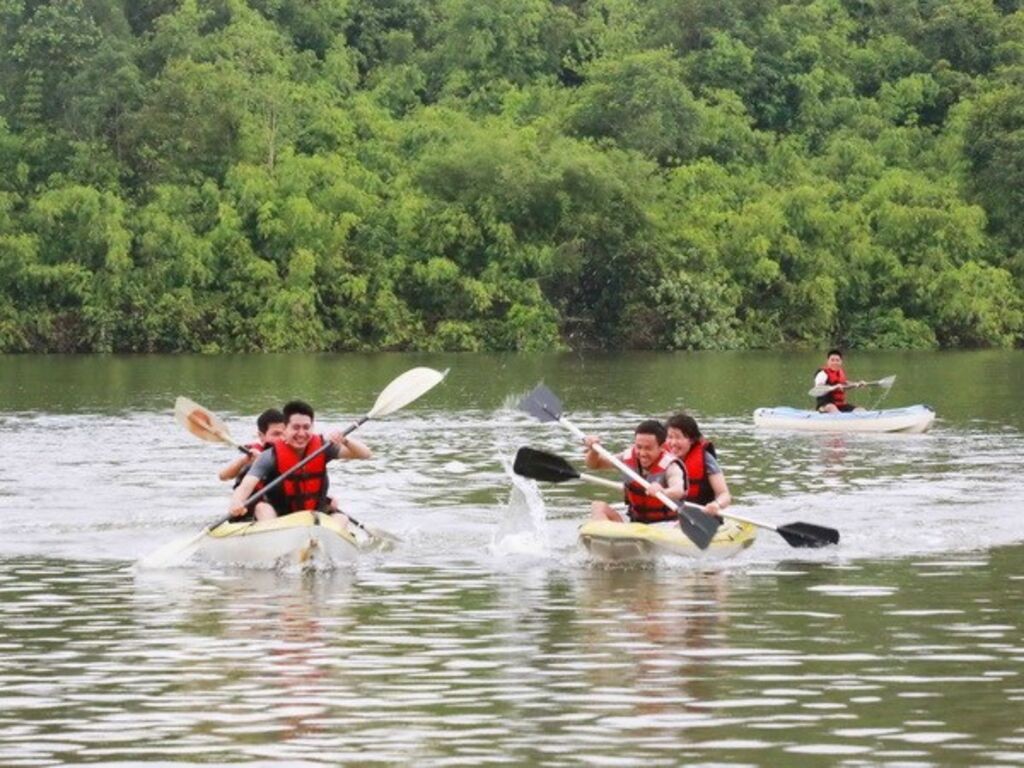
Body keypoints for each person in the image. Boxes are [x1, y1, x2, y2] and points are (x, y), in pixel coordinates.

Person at [229, 400, 371, 524]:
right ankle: (277, 546)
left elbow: (365, 454)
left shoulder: (324, 448)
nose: (301, 433)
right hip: (281, 516)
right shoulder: (269, 456)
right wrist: (236, 502)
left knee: (342, 519)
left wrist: (345, 440)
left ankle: (321, 546)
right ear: (285, 429)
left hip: (313, 513)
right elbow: (245, 487)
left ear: (313, 427)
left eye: (306, 427)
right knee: (262, 508)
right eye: (296, 427)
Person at [583, 419, 686, 524]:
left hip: (665, 524)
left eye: (648, 448)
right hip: (635, 521)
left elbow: (678, 490)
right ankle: (609, 536)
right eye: (639, 447)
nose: (642, 453)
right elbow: (594, 465)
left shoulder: (671, 466)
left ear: (661, 447)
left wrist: (663, 492)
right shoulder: (627, 457)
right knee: (598, 506)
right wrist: (593, 450)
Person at [665, 413, 731, 519]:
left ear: (691, 440)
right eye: (670, 437)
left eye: (678, 437)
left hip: (702, 517)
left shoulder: (706, 459)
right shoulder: (660, 457)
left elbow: (724, 494)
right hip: (670, 518)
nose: (673, 442)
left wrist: (716, 504)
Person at [218, 408, 286, 483]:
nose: (282, 438)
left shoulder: (297, 449)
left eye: (285, 433)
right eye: (276, 434)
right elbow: (223, 476)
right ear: (261, 436)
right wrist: (243, 461)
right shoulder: (252, 455)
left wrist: (262, 460)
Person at [814, 348, 865, 413]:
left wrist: (857, 384)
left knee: (861, 410)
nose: (835, 362)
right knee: (832, 408)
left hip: (840, 405)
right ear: (827, 361)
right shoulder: (822, 374)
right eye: (832, 360)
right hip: (825, 406)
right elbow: (819, 388)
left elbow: (845, 383)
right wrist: (834, 387)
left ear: (841, 362)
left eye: (837, 360)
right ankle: (840, 420)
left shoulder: (840, 372)